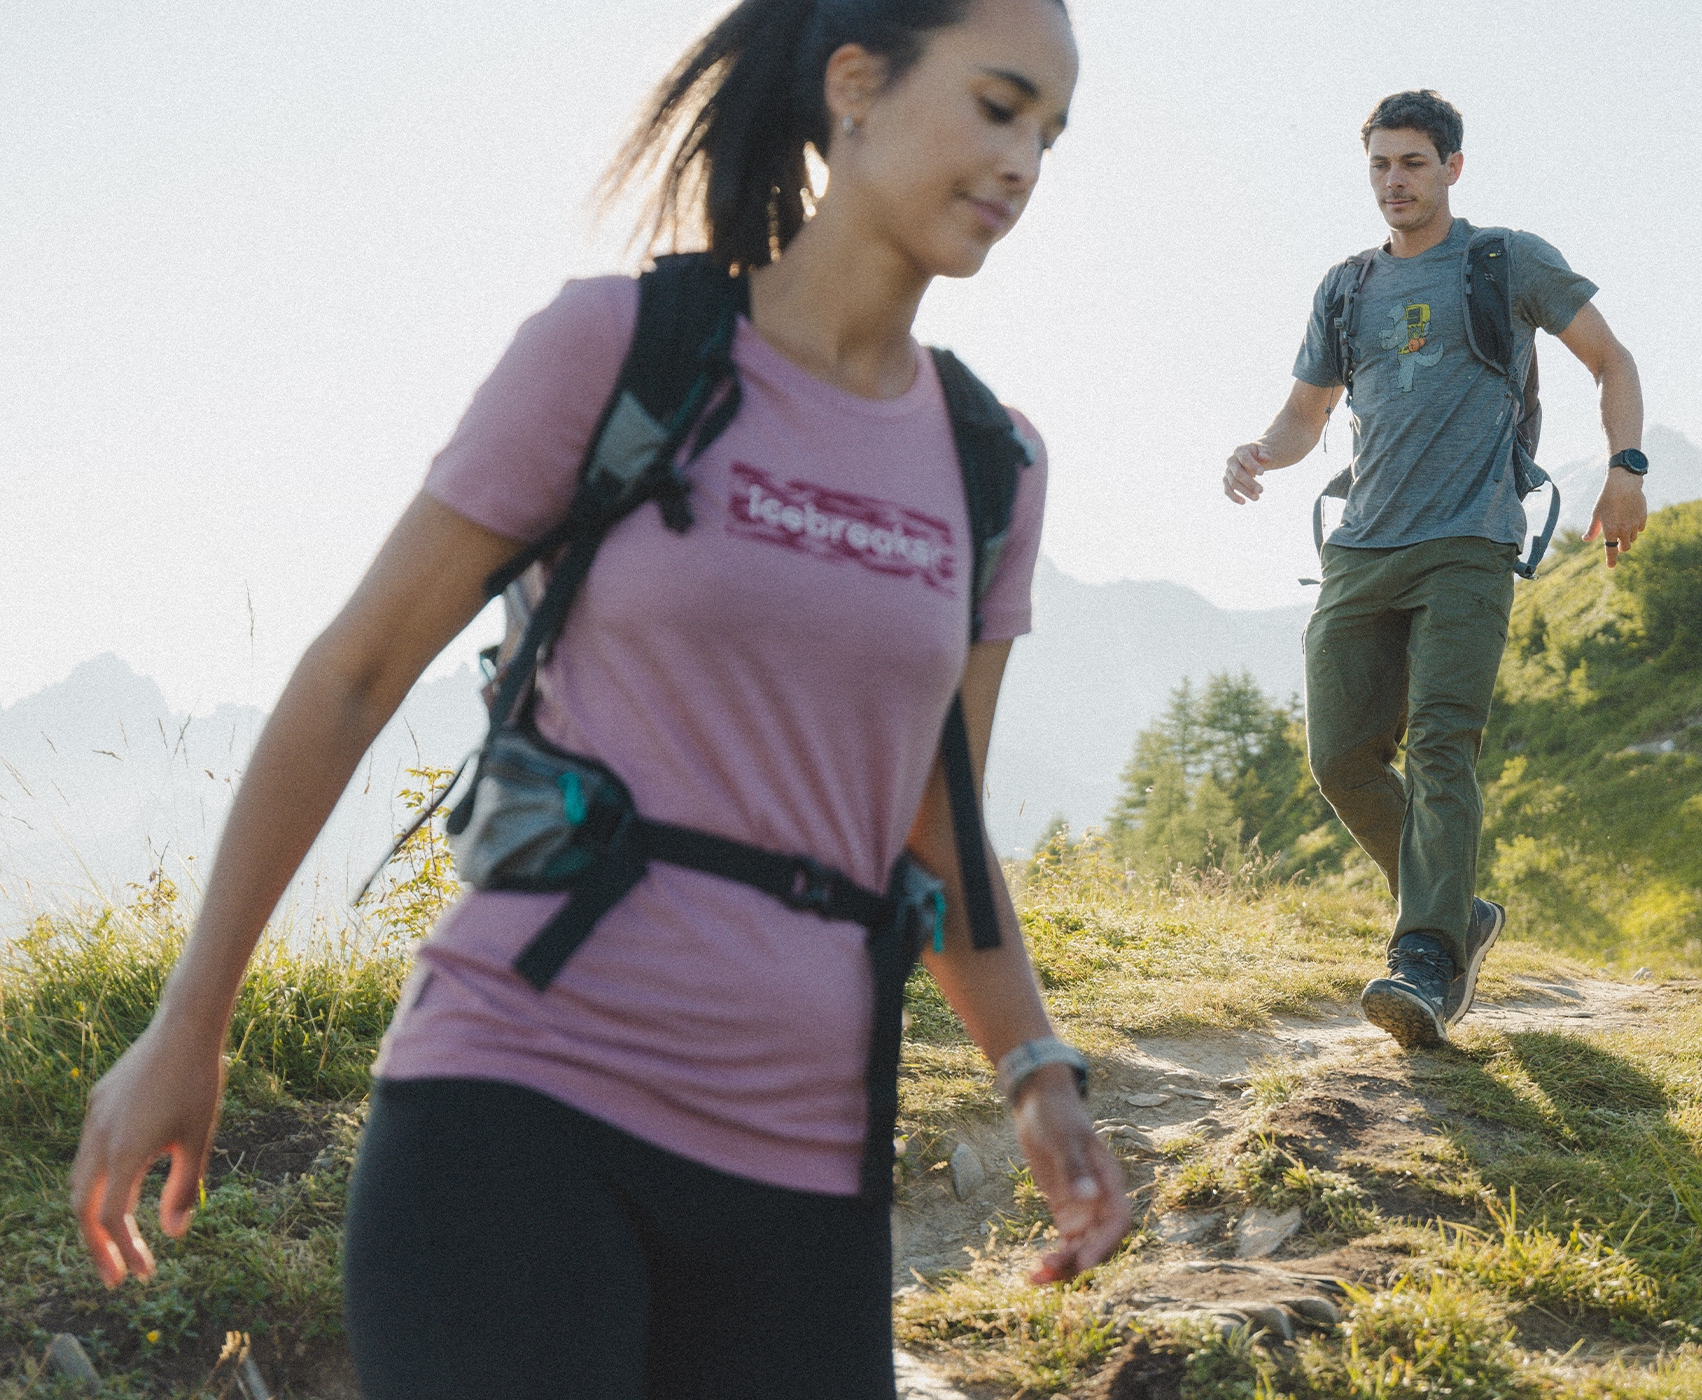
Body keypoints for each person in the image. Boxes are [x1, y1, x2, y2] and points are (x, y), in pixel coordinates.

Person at [69, 2, 1126, 1396]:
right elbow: (354, 672)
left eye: (1049, 134)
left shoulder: (994, 466)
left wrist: (1035, 1070)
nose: (1024, 164)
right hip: (519, 1103)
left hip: (805, 1160)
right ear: (855, 85)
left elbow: (941, 824)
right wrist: (192, 1018)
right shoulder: (624, 350)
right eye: (997, 106)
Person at [1223, 90, 1647, 1049]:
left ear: (1452, 167)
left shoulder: (1506, 262)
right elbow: (1307, 415)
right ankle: (1459, 912)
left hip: (1469, 540)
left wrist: (1625, 469)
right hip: (1361, 547)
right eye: (1379, 165)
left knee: (1443, 746)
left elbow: (1610, 362)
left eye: (1412, 163)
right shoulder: (1345, 287)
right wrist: (1260, 450)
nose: (1394, 182)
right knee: (1339, 758)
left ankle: (1427, 960)